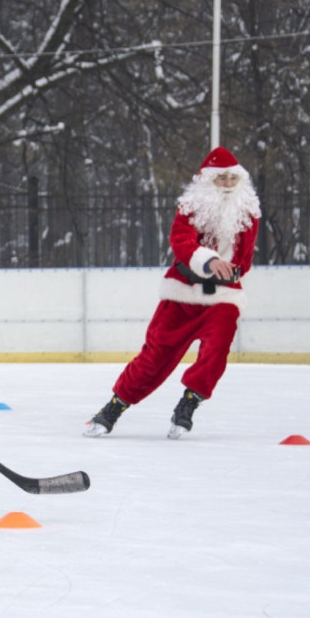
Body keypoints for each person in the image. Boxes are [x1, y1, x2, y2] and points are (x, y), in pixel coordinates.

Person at [84, 146, 261, 439]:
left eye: (233, 178)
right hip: (182, 292)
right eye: (221, 179)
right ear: (207, 181)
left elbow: (246, 259)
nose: (228, 184)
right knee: (155, 356)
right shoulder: (191, 208)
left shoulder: (248, 214)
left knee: (216, 349)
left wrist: (233, 270)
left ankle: (189, 403)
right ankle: (114, 407)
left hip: (223, 297)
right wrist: (209, 260)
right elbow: (181, 241)